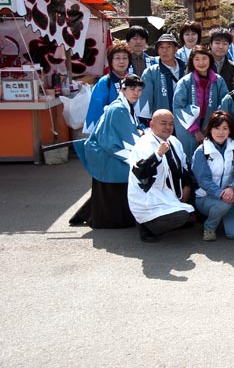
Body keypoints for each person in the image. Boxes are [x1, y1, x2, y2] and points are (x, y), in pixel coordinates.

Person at [76, 74, 145, 229]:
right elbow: (124, 138)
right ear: (123, 89)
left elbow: (132, 129)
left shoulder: (125, 106)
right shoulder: (118, 108)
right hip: (107, 153)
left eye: (139, 90)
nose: (136, 93)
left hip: (109, 149)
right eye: (132, 89)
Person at [127, 109, 194, 243]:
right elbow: (141, 174)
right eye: (163, 123)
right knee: (181, 217)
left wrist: (187, 187)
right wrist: (157, 155)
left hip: (171, 193)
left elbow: (185, 166)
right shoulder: (144, 145)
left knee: (192, 212)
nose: (168, 127)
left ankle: (168, 216)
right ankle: (147, 227)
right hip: (151, 199)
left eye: (171, 124)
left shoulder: (174, 141)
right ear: (152, 125)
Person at [191, 110, 234, 242]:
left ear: (230, 130)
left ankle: (220, 216)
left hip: (231, 196)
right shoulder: (201, 151)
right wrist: (221, 194)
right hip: (206, 198)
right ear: (210, 129)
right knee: (222, 206)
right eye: (217, 128)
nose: (221, 132)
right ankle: (209, 227)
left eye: (225, 128)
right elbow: (204, 180)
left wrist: (232, 188)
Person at [172, 45, 229, 159]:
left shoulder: (218, 81)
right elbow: (178, 107)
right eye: (197, 59)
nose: (201, 62)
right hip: (189, 129)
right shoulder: (185, 82)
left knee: (212, 159)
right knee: (189, 159)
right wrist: (196, 131)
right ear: (192, 62)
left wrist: (214, 126)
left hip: (213, 127)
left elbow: (224, 104)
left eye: (204, 58)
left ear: (210, 59)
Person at [84, 42, 132, 134]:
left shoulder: (133, 79)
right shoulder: (105, 82)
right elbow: (97, 109)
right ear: (111, 61)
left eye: (125, 58)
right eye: (117, 58)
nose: (121, 61)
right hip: (110, 129)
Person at [138, 34, 185, 124]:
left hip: (186, 122)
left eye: (168, 47)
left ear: (176, 49)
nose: (164, 51)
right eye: (161, 47)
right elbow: (145, 102)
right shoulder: (151, 72)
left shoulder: (186, 69)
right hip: (162, 123)